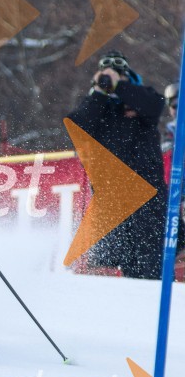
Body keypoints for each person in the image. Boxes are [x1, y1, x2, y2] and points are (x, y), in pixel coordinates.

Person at [66, 50, 167, 279]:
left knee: (148, 263)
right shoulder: (97, 105)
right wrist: (99, 92)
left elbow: (154, 106)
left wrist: (120, 87)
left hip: (147, 194)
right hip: (111, 196)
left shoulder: (142, 97)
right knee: (108, 262)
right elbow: (77, 127)